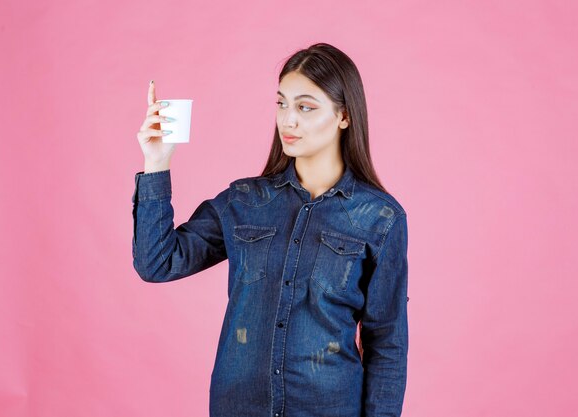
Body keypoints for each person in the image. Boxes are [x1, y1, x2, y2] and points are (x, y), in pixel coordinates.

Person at [132, 42, 409, 417]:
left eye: (305, 107)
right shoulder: (244, 201)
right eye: (282, 104)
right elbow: (158, 262)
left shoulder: (380, 218)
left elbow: (387, 342)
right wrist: (156, 163)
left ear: (344, 116)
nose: (288, 120)